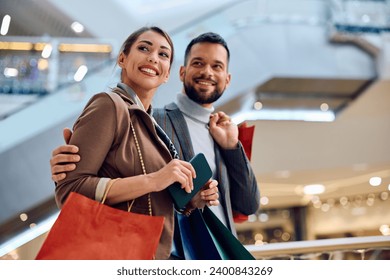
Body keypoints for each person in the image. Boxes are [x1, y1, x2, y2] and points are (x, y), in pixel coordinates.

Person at [50, 32, 260, 258]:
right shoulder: (149, 120)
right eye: (198, 63)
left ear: (227, 78)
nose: (207, 72)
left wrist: (231, 148)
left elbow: (247, 205)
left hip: (215, 253)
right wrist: (63, 167)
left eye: (217, 66)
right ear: (181, 72)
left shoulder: (224, 130)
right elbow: (76, 187)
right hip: (153, 253)